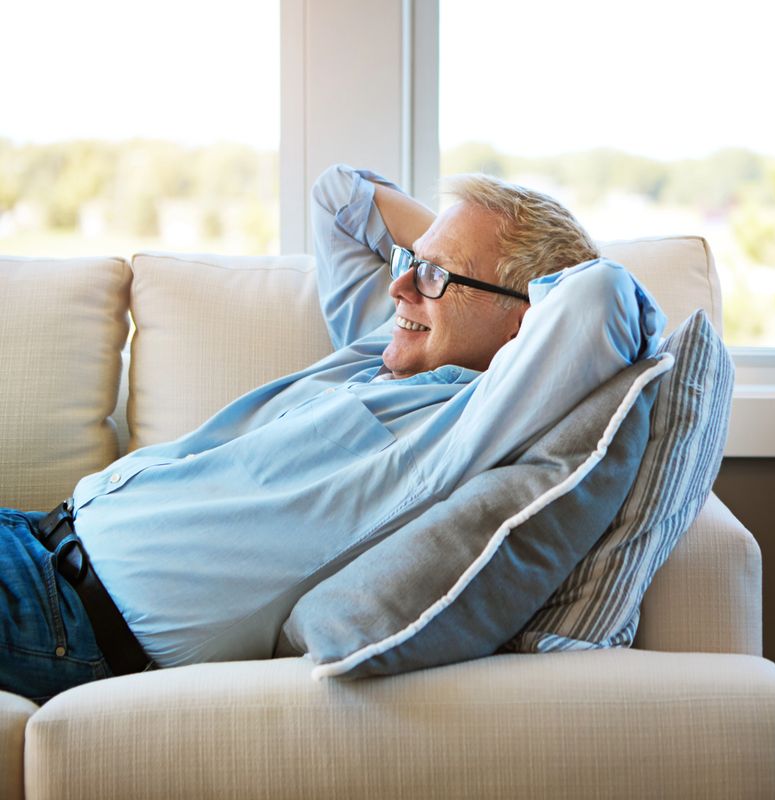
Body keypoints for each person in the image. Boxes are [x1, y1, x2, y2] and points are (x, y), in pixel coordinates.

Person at [0, 165, 666, 703]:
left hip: (57, 616)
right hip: (30, 537)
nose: (402, 284)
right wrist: (452, 255)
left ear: (527, 321)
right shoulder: (385, 351)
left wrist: (506, 263)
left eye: (433, 275)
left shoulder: (464, 427)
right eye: (412, 260)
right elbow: (340, 196)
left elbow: (600, 296)